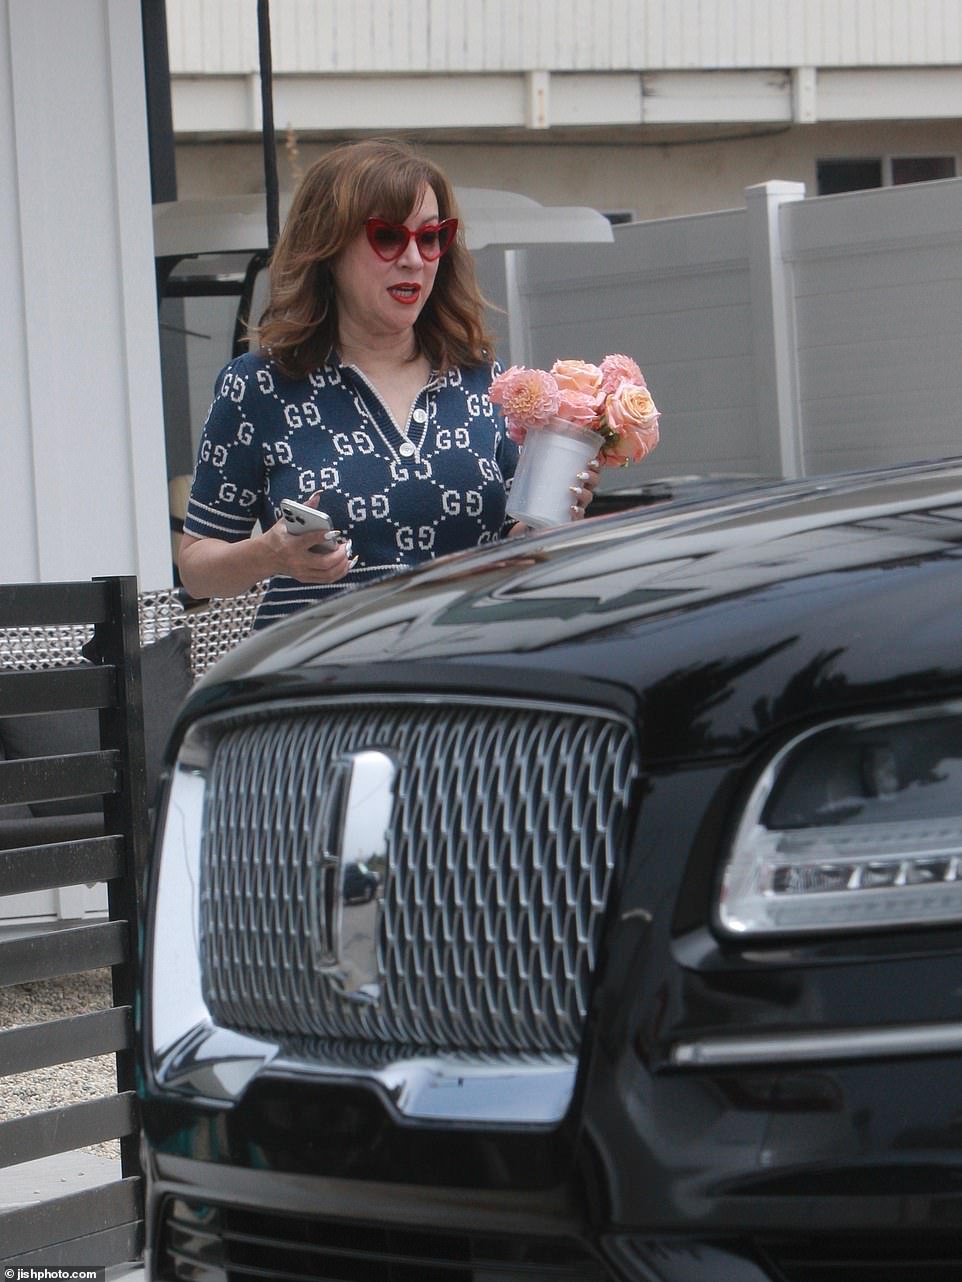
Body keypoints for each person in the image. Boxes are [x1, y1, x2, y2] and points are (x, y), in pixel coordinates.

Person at [178, 138, 597, 629]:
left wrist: (557, 513)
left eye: (431, 237)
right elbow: (197, 568)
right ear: (327, 248)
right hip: (325, 686)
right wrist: (270, 555)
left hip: (465, 675)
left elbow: (514, 543)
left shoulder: (485, 381)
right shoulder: (258, 387)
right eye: (387, 237)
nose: (414, 259)